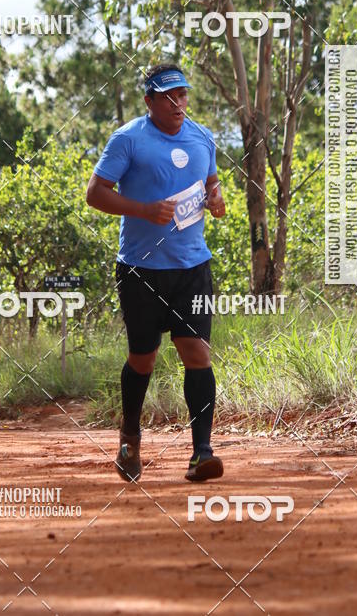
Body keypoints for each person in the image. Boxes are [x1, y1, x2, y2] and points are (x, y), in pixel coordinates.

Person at [86, 63, 226, 483]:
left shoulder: (202, 137)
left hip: (192, 266)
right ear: (149, 101)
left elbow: (212, 184)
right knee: (142, 360)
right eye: (167, 96)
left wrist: (217, 201)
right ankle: (130, 437)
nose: (177, 103)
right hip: (141, 269)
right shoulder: (128, 139)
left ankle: (202, 453)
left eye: (182, 94)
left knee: (197, 354)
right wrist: (144, 210)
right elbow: (95, 194)